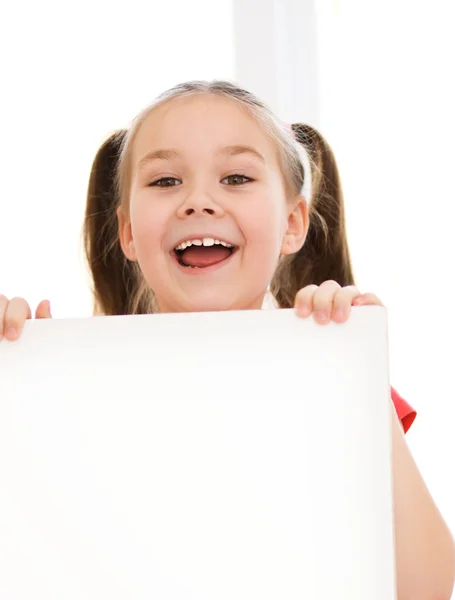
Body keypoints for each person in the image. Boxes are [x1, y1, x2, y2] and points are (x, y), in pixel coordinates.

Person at [0, 80, 454, 599]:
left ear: (292, 223)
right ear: (127, 231)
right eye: (166, 180)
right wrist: (12, 390)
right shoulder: (66, 391)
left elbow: (426, 587)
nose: (198, 201)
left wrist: (360, 375)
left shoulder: (334, 377)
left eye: (235, 177)